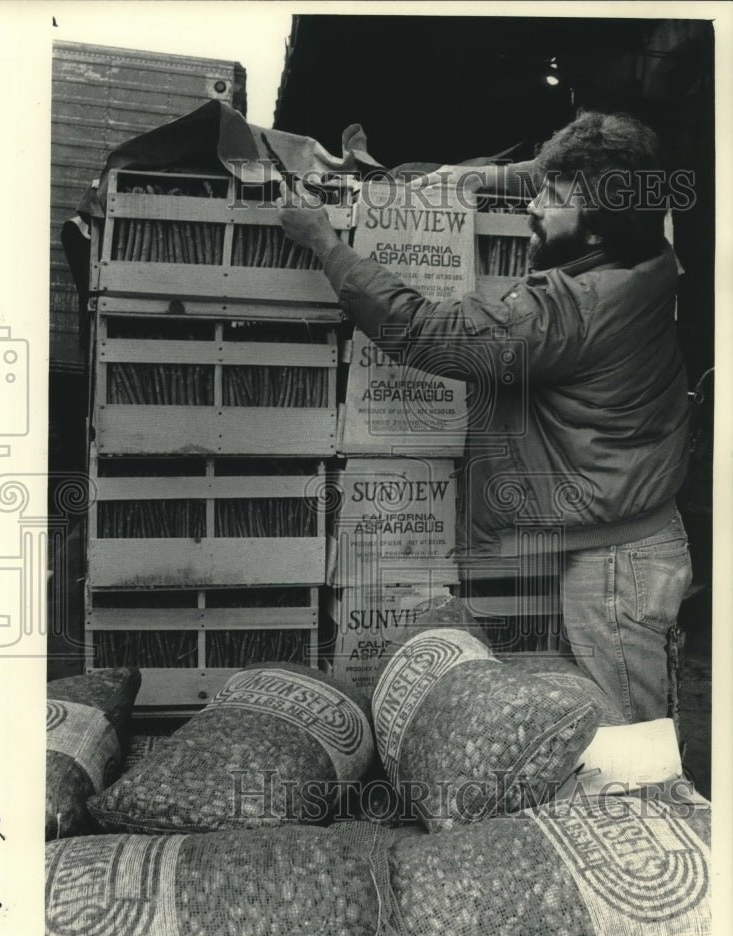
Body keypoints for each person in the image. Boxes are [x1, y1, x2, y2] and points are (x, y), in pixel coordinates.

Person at [277, 111, 692, 724]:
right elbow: (584, 182)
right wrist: (471, 178)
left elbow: (417, 329)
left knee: (631, 743)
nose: (535, 206)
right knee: (625, 720)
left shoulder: (566, 314)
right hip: (634, 538)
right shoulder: (646, 249)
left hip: (617, 569)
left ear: (598, 231)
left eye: (552, 200)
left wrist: (323, 242)